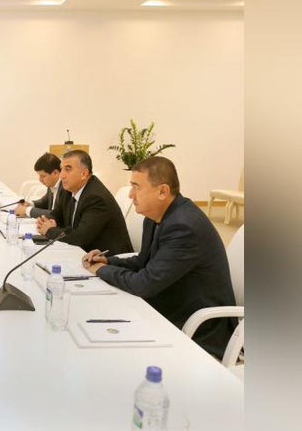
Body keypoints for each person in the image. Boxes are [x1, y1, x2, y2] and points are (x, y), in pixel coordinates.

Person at [82, 156, 236, 358]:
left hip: (197, 328)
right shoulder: (157, 216)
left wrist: (101, 270)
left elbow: (143, 284)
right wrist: (109, 261)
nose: (130, 194)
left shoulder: (184, 226)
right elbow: (143, 261)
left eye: (136, 187)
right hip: (169, 303)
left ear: (162, 191)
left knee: (103, 340)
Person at [36, 150, 133, 255]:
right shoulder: (69, 191)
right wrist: (46, 223)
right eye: (61, 169)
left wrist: (50, 230)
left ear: (84, 174)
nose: (61, 175)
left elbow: (80, 238)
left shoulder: (96, 198)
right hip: (84, 254)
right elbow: (56, 216)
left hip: (109, 259)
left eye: (67, 169)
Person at [15, 152, 65, 220]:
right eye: (39, 176)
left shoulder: (65, 187)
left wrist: (27, 210)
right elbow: (44, 202)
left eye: (43, 176)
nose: (40, 180)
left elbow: (55, 215)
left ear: (55, 173)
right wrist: (31, 204)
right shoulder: (52, 184)